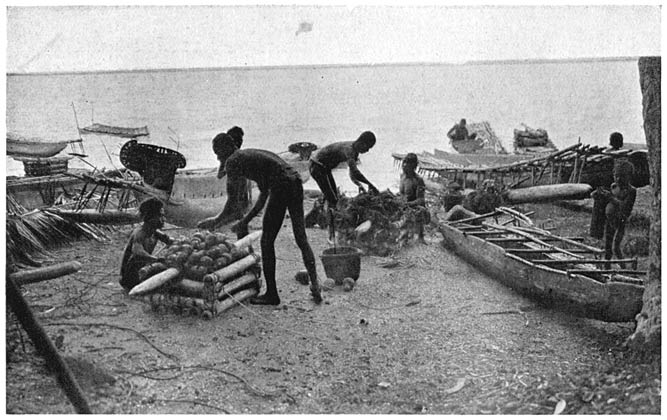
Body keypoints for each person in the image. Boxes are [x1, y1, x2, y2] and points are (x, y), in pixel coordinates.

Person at [197, 136, 322, 305]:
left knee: (266, 242)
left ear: (225, 150)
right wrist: (246, 220)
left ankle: (272, 294)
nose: (219, 159)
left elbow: (232, 204)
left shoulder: (233, 162)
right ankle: (315, 285)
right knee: (301, 237)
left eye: (218, 155)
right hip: (295, 181)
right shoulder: (249, 156)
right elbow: (263, 194)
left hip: (282, 186)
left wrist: (215, 220)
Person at [309, 131, 379, 209]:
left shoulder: (354, 151)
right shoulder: (349, 150)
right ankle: (327, 215)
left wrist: (359, 184)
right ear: (362, 143)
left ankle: (326, 210)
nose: (367, 151)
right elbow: (356, 173)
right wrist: (370, 185)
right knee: (332, 199)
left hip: (324, 168)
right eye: (367, 147)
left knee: (334, 196)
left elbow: (352, 172)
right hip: (316, 166)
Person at [120, 197, 173, 291]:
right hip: (130, 278)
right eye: (160, 216)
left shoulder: (155, 232)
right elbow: (137, 251)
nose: (163, 219)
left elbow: (170, 241)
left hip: (143, 270)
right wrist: (156, 259)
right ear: (150, 217)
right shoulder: (139, 233)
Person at [592, 159, 636, 269]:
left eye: (622, 176)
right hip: (609, 220)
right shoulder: (613, 187)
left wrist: (610, 197)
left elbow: (624, 207)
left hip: (620, 221)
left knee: (616, 247)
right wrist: (598, 194)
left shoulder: (631, 191)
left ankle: (625, 269)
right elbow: (607, 200)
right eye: (616, 176)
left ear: (629, 177)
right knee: (607, 247)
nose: (618, 179)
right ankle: (606, 270)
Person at [398, 153, 428, 243]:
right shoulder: (402, 177)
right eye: (404, 163)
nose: (404, 166)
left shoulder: (418, 180)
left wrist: (408, 204)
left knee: (414, 213)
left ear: (413, 166)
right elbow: (402, 194)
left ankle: (419, 236)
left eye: (407, 164)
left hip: (413, 206)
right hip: (403, 205)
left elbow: (421, 199)